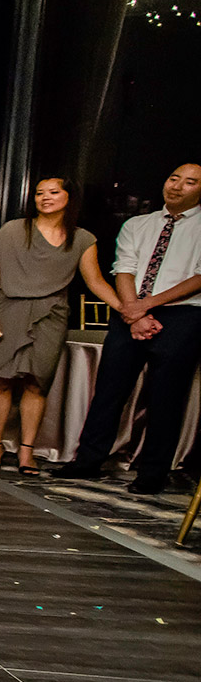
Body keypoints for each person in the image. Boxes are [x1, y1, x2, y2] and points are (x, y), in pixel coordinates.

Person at [57, 162, 201, 493]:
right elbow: (124, 269)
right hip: (131, 312)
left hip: (183, 316)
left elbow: (198, 277)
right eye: (173, 178)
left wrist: (145, 306)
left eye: (189, 182)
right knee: (108, 391)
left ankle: (152, 474)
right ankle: (87, 461)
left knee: (166, 398)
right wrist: (134, 313)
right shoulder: (138, 224)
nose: (177, 186)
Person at [0, 178, 122, 476]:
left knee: (36, 382)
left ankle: (27, 451)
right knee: (0, 380)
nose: (45, 198)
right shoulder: (14, 229)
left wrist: (126, 309)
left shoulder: (82, 239)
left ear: (69, 198)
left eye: (53, 192)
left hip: (51, 314)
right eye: (40, 193)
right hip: (8, 310)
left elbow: (95, 282)